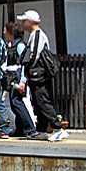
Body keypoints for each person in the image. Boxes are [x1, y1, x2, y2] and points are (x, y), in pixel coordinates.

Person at [19, 9, 67, 141]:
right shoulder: (34, 35)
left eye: (24, 21)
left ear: (29, 21)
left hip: (38, 73)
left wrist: (28, 68)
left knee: (42, 101)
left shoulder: (37, 35)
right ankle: (41, 129)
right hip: (37, 74)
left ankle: (57, 128)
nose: (22, 24)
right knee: (38, 102)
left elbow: (34, 54)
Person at [4, 22, 37, 138]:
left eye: (5, 30)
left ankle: (30, 129)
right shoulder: (12, 45)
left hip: (16, 77)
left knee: (17, 102)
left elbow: (24, 65)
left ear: (11, 33)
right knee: (14, 103)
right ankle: (20, 129)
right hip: (12, 77)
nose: (4, 33)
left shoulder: (20, 46)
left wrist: (23, 80)